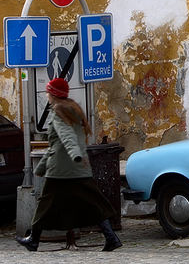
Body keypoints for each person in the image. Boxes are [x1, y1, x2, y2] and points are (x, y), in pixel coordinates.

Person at [15, 77, 122, 252]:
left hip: (61, 171)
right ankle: (111, 238)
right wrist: (42, 167)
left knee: (45, 204)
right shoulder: (74, 109)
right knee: (94, 203)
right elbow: (55, 144)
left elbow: (67, 137)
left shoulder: (59, 111)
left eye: (49, 92)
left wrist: (75, 155)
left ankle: (33, 240)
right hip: (79, 168)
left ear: (54, 95)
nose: (47, 95)